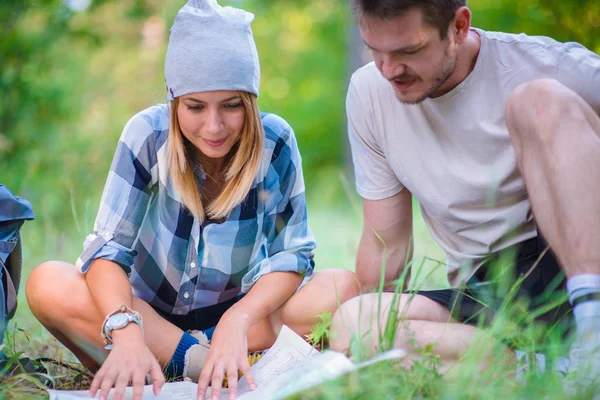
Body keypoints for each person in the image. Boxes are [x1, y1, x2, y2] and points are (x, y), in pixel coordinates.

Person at [25, 1, 359, 400]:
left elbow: (294, 256)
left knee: (342, 288)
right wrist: (126, 327)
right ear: (174, 102)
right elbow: (108, 250)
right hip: (145, 313)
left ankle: (192, 355)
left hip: (237, 319)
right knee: (48, 283)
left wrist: (238, 320)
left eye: (232, 105)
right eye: (195, 107)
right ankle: (197, 363)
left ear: (250, 101)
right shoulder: (147, 135)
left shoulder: (275, 142)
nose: (214, 126)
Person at [329, 0, 600, 390]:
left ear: (458, 27)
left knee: (537, 101)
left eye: (408, 51)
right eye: (375, 50)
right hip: (486, 289)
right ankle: (536, 366)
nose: (389, 70)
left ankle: (592, 332)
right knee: (353, 325)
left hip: (569, 258)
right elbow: (385, 246)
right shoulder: (370, 92)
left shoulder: (544, 64)